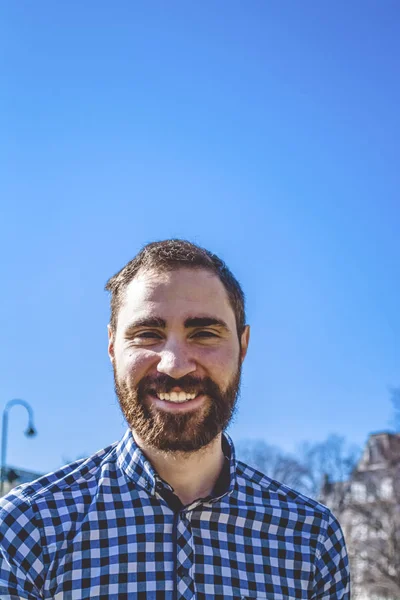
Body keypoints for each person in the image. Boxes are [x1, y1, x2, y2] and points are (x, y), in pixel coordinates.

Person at [0, 239, 350, 599]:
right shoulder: (25, 530)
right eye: (148, 334)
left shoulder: (312, 539)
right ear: (111, 347)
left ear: (243, 346)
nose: (175, 364)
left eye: (204, 333)